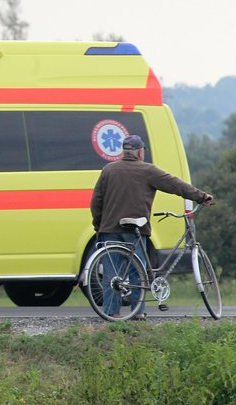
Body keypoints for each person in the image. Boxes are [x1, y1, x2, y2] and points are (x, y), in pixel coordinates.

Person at [90, 134, 214, 320]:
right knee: (136, 271)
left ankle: (111, 313)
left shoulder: (108, 170)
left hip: (109, 230)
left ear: (124, 152)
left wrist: (99, 224)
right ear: (140, 152)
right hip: (134, 231)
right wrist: (201, 196)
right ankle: (138, 312)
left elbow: (96, 201)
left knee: (111, 273)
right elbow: (175, 185)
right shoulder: (148, 170)